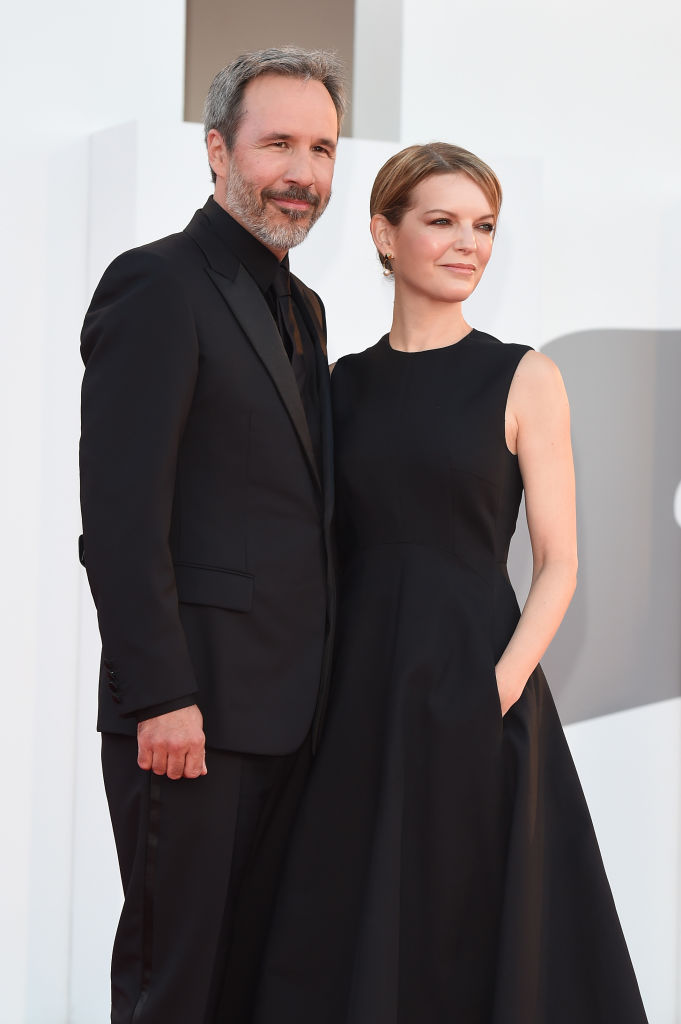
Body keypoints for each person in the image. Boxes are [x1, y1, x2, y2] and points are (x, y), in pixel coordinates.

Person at [254, 143, 649, 1022]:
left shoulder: (523, 376)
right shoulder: (336, 388)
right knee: (348, 924)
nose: (468, 243)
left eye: (483, 227)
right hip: (355, 699)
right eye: (441, 221)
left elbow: (561, 561)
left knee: (470, 930)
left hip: (477, 690)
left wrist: (495, 691)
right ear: (383, 235)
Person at [79, 47, 345, 1023]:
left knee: (250, 986)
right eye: (278, 142)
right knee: (173, 985)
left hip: (289, 717)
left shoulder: (305, 309)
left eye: (321, 148)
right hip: (187, 718)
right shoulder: (155, 285)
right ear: (216, 152)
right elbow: (119, 515)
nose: (303, 173)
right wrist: (161, 695)